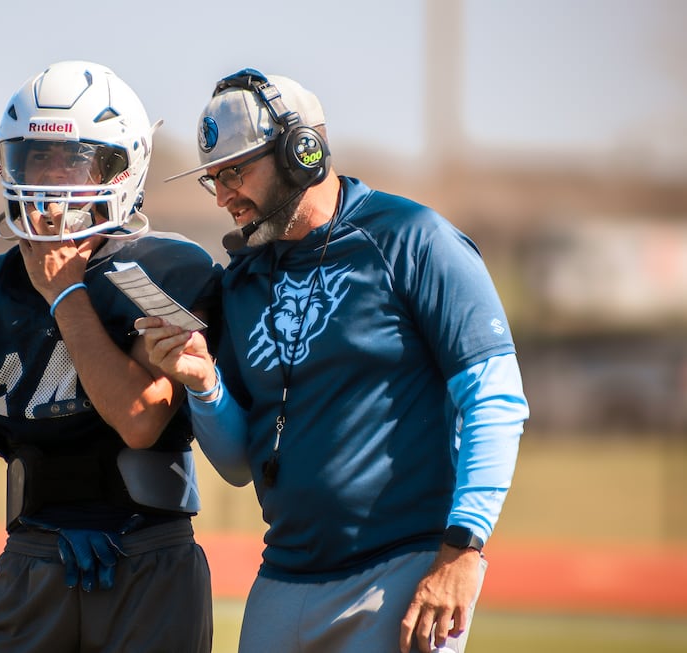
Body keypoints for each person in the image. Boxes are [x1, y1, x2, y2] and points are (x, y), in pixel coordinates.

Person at [137, 68, 529, 653]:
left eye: (235, 172)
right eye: (213, 180)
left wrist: (464, 552)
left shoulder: (413, 239)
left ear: (303, 152)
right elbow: (240, 464)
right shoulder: (243, 279)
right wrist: (203, 385)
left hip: (405, 571)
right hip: (285, 577)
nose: (222, 197)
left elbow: (494, 400)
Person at [0, 61, 220, 653]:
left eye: (75, 159)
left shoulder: (168, 272)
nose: (51, 180)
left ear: (124, 166)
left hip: (148, 557)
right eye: (36, 159)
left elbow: (141, 420)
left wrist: (65, 294)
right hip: (32, 558)